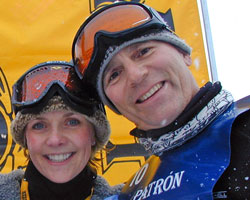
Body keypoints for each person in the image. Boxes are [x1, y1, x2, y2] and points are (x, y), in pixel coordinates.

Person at [71, 2, 250, 200]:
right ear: (115, 107)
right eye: (114, 75)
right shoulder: (131, 193)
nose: (135, 75)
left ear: (184, 53)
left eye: (143, 51)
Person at [0, 61, 123, 200]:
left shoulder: (129, 197)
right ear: (25, 138)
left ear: (94, 134)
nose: (55, 140)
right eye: (39, 125)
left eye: (72, 122)